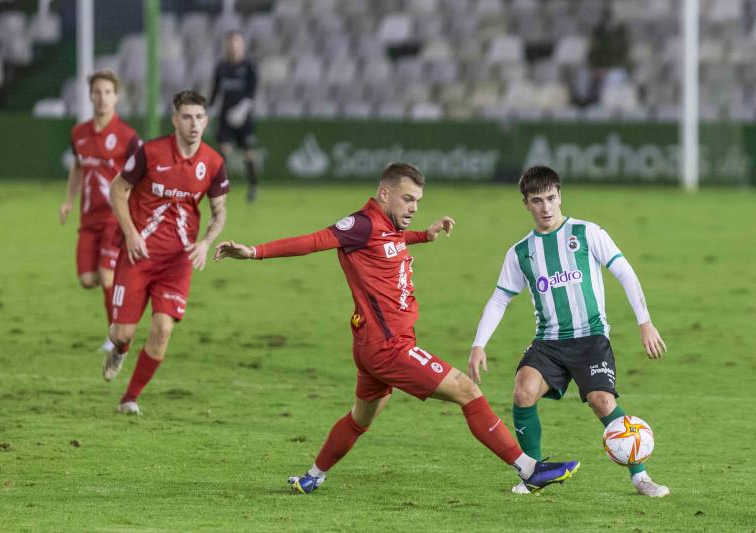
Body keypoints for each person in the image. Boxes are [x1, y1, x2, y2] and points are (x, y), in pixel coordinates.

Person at [214, 162, 579, 494]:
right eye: (407, 199)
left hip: (374, 346)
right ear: (384, 193)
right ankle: (528, 468)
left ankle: (312, 476)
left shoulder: (385, 228)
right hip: (390, 347)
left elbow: (390, 241)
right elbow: (312, 242)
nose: (413, 207)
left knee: (361, 417)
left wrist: (425, 235)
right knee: (466, 390)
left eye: (418, 201)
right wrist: (254, 252)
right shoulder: (360, 225)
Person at [468, 165, 669, 497]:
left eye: (550, 198)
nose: (546, 208)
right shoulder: (521, 252)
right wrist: (479, 344)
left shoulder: (588, 233)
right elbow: (500, 298)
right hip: (548, 343)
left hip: (590, 338)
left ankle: (641, 477)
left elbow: (625, 273)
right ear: (526, 204)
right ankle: (532, 473)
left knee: (602, 401)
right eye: (537, 201)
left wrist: (644, 321)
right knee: (523, 392)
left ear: (560, 196)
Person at [101, 90, 229, 414]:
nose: (194, 124)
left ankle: (129, 398)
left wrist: (205, 242)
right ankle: (119, 349)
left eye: (199, 117)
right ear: (175, 120)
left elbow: (219, 213)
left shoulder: (214, 163)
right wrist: (130, 235)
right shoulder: (151, 152)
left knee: (163, 329)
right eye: (187, 117)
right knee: (121, 333)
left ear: (207, 121)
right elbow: (117, 189)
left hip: (177, 261)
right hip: (137, 255)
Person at [59, 70, 141, 354]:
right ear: (90, 96)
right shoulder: (79, 133)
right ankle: (126, 292)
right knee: (87, 280)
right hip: (88, 219)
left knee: (105, 275)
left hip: (114, 219)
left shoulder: (128, 137)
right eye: (97, 92)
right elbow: (77, 167)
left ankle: (116, 337)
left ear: (116, 97)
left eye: (108, 92)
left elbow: (141, 174)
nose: (102, 98)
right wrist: (69, 200)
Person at [209, 31, 259, 202]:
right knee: (222, 151)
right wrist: (208, 110)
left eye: (236, 42)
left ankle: (253, 187)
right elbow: (215, 92)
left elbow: (253, 92)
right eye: (230, 43)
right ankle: (221, 187)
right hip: (225, 115)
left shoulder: (249, 67)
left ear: (242, 44)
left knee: (249, 153)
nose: (233, 46)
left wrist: (242, 110)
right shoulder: (221, 67)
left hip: (244, 116)